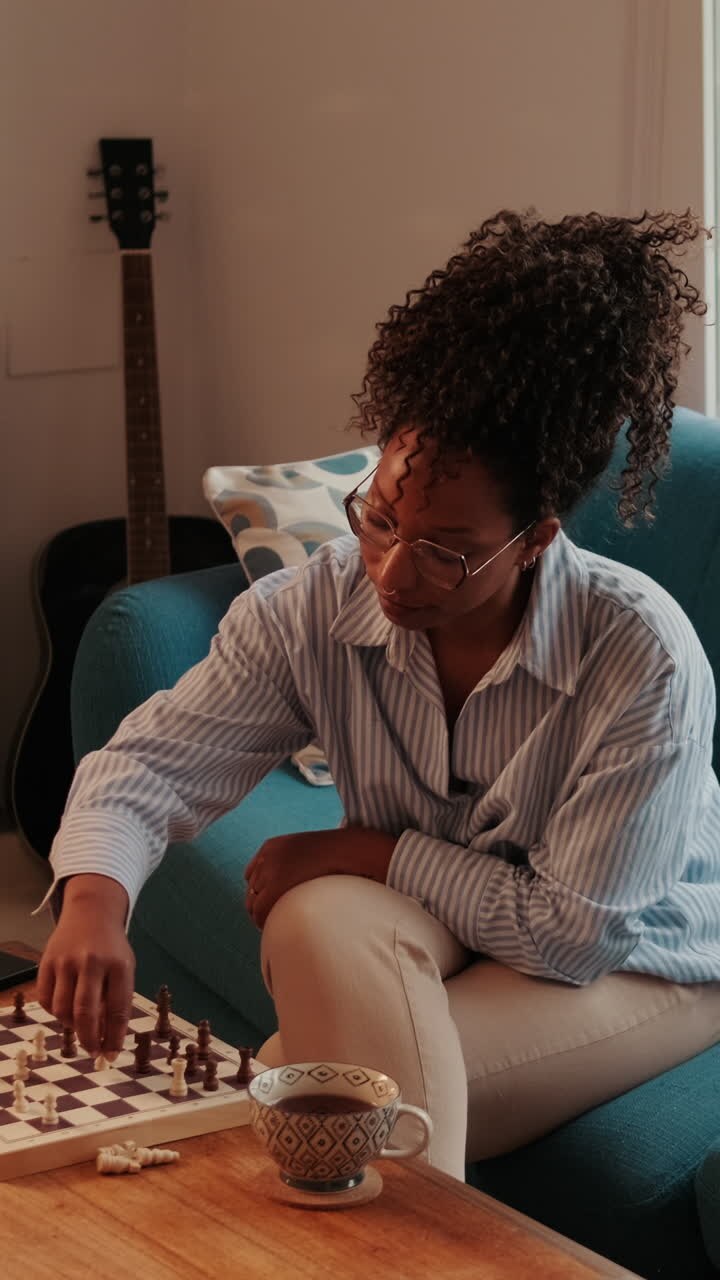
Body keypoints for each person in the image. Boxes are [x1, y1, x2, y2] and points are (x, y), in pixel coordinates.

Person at [36, 207, 720, 1180]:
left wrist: (369, 849)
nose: (393, 572)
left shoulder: (639, 655)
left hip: (641, 955)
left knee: (308, 1089)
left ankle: (387, 1222)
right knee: (314, 916)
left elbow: (572, 934)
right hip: (465, 918)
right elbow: (151, 764)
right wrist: (94, 904)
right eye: (382, 518)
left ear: (536, 538)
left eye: (448, 550)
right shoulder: (315, 607)